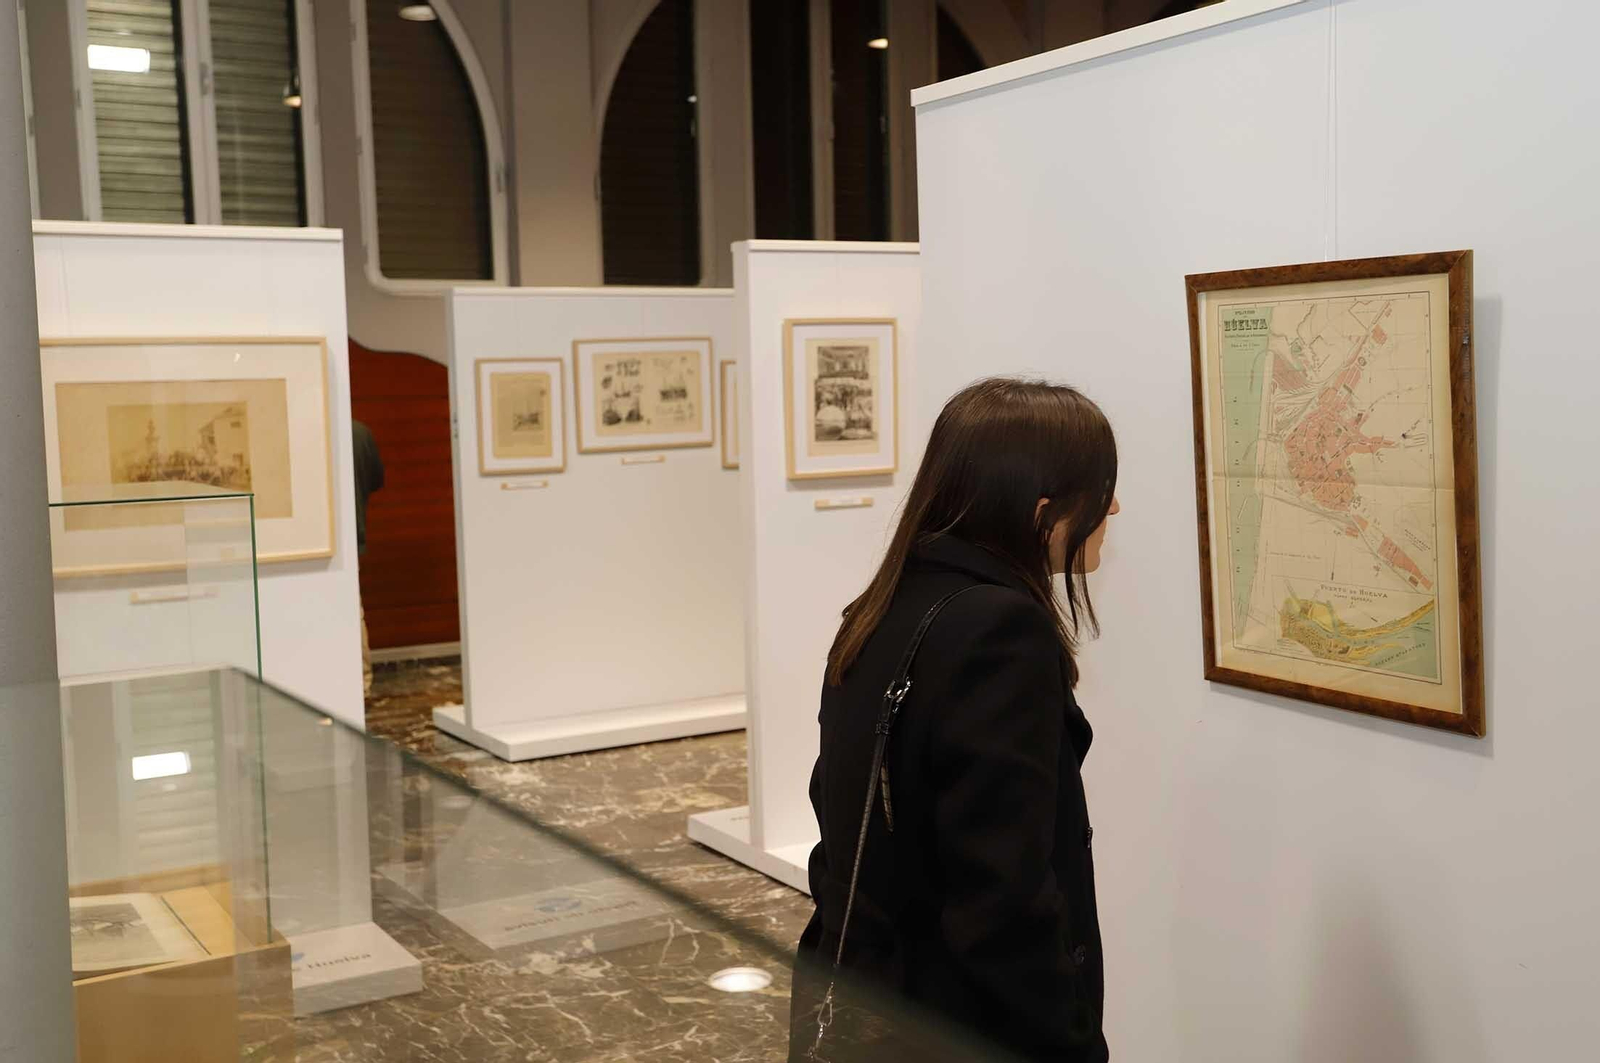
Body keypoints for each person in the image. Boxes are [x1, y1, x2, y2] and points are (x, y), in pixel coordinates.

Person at [790, 378, 1120, 1062]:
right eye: (1100, 489)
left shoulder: (881, 607)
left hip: (865, 995)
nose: (1113, 505)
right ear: (1042, 510)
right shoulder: (1003, 631)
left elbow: (838, 823)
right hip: (956, 1024)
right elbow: (1003, 897)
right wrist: (1071, 1044)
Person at [352, 419, 385, 697]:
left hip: (323, 534)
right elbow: (376, 479)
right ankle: (361, 682)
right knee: (353, 609)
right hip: (354, 531)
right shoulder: (361, 432)